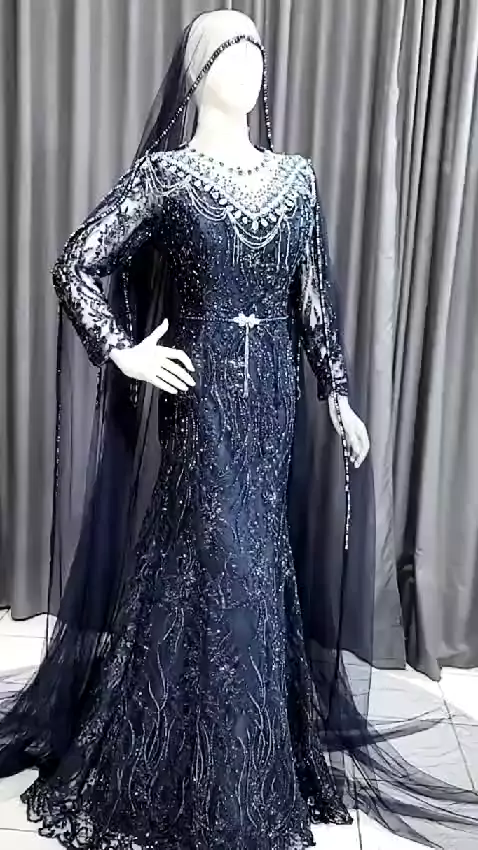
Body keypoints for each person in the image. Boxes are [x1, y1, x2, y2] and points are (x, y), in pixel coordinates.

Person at [0, 9, 477, 850]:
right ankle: (190, 759)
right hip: (202, 397)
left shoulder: (297, 179)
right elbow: (78, 262)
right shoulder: (167, 176)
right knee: (211, 556)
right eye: (229, 49)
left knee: (255, 561)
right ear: (196, 73)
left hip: (273, 405)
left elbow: (311, 295)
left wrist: (339, 394)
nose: (250, 62)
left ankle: (255, 752)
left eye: (256, 47)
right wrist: (122, 350)